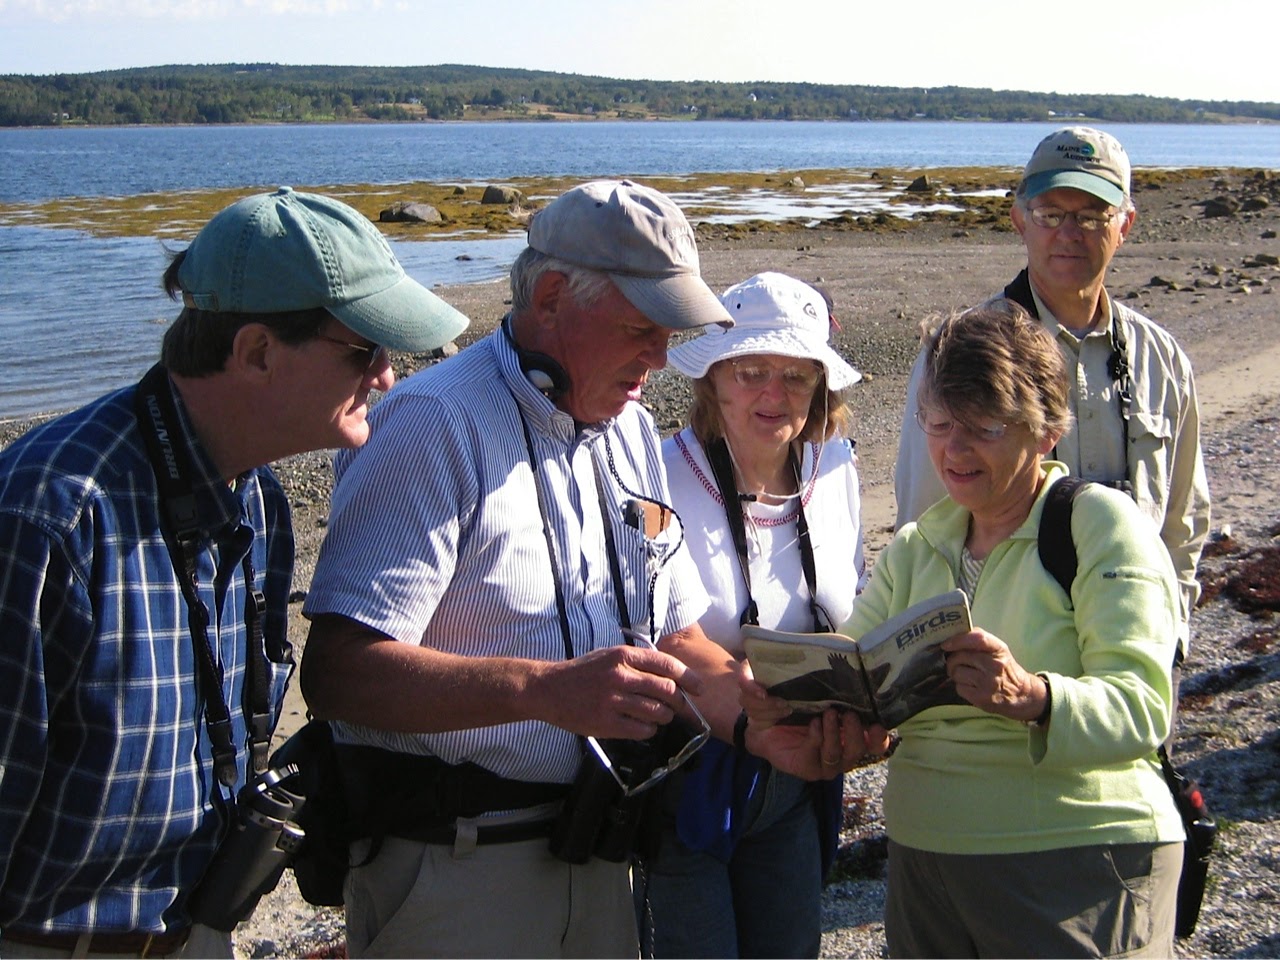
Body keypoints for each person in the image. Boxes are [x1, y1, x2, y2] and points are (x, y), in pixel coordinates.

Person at [299, 180, 878, 959]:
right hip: (457, 867)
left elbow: (676, 638)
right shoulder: (433, 425)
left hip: (604, 854)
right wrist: (542, 690)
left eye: (672, 331)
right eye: (642, 327)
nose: (664, 357)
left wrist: (761, 728)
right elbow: (338, 676)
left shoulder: (632, 429)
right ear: (549, 297)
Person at [0, 187, 469, 958]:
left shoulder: (259, 498)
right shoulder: (53, 516)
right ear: (255, 351)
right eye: (366, 350)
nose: (388, 378)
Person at [850, 305, 1184, 957]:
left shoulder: (1098, 526)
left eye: (984, 427)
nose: (954, 450)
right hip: (926, 858)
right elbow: (852, 668)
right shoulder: (917, 546)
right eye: (940, 426)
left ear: (1049, 429)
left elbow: (1144, 708)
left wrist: (1034, 696)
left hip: (1073, 856)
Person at [894, 126, 1210, 747]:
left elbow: (1184, 517)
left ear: (1126, 223)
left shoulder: (1160, 358)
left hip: (1126, 673)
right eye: (1051, 212)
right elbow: (924, 524)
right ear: (1018, 218)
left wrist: (1169, 633)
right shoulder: (957, 353)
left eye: (1094, 214)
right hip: (995, 683)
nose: (1070, 231)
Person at [642, 271, 867, 957]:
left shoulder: (834, 470)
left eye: (796, 377)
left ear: (820, 388)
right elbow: (658, 632)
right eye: (752, 372)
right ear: (712, 378)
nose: (774, 394)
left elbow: (852, 612)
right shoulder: (656, 474)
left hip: (797, 778)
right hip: (686, 783)